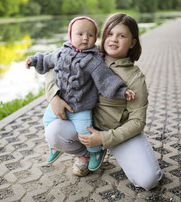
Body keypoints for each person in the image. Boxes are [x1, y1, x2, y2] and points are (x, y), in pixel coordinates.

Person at [44, 13, 163, 190]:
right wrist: (54, 96)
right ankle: (86, 154)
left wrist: (104, 138)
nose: (114, 40)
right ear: (103, 36)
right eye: (110, 34)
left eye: (122, 36)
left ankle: (116, 150)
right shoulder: (87, 54)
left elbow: (138, 122)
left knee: (148, 181)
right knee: (54, 132)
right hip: (84, 127)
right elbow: (52, 67)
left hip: (117, 134)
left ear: (132, 43)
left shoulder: (135, 78)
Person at [25, 16, 135, 172]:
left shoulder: (93, 60)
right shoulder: (61, 52)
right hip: (61, 102)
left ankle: (95, 152)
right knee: (47, 120)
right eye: (80, 34)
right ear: (70, 36)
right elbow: (47, 59)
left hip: (81, 107)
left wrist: (122, 91)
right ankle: (54, 146)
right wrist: (35, 60)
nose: (85, 38)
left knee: (85, 131)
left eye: (90, 35)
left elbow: (106, 79)